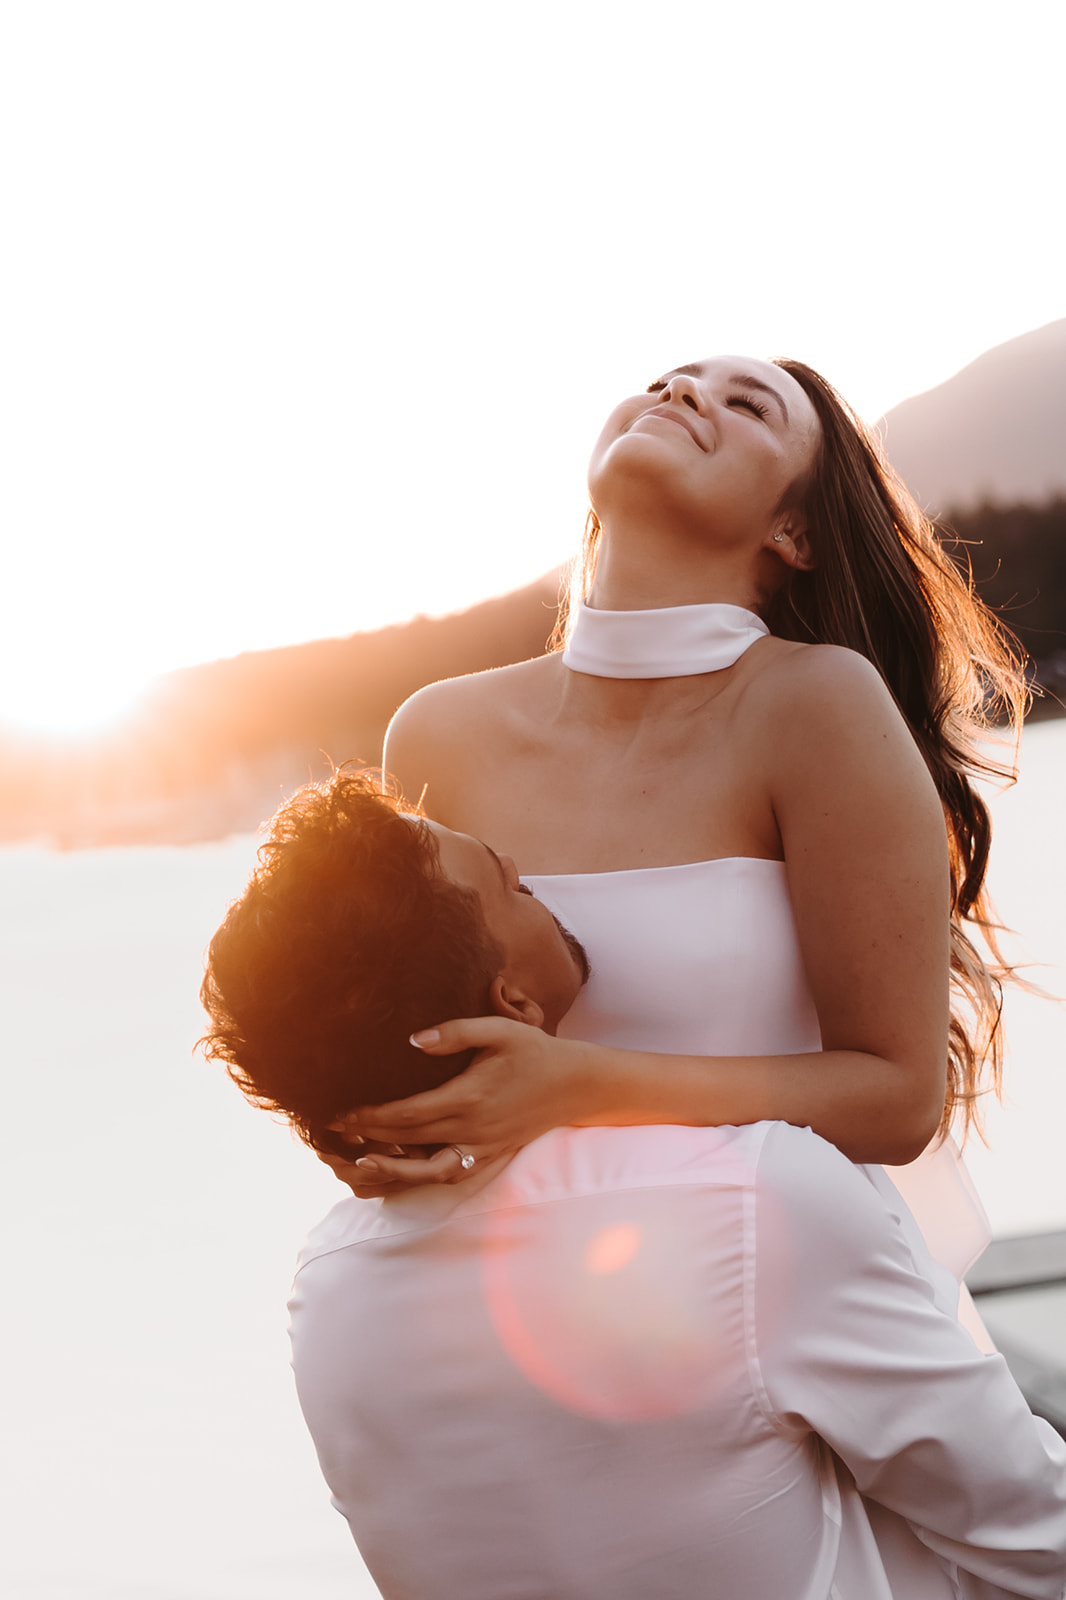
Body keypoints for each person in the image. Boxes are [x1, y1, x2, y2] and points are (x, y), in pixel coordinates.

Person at [200, 771, 1066, 1600]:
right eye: (514, 889)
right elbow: (1035, 1529)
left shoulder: (328, 1292)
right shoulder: (752, 1205)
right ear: (515, 1003)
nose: (534, 877)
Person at [323, 354, 1026, 1338]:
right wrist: (374, 1134)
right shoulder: (438, 734)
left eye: (745, 404)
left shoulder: (815, 704)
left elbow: (899, 1097)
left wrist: (583, 1086)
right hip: (533, 1314)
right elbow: (417, 1042)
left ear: (796, 530)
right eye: (667, 380)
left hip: (792, 1299)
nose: (682, 393)